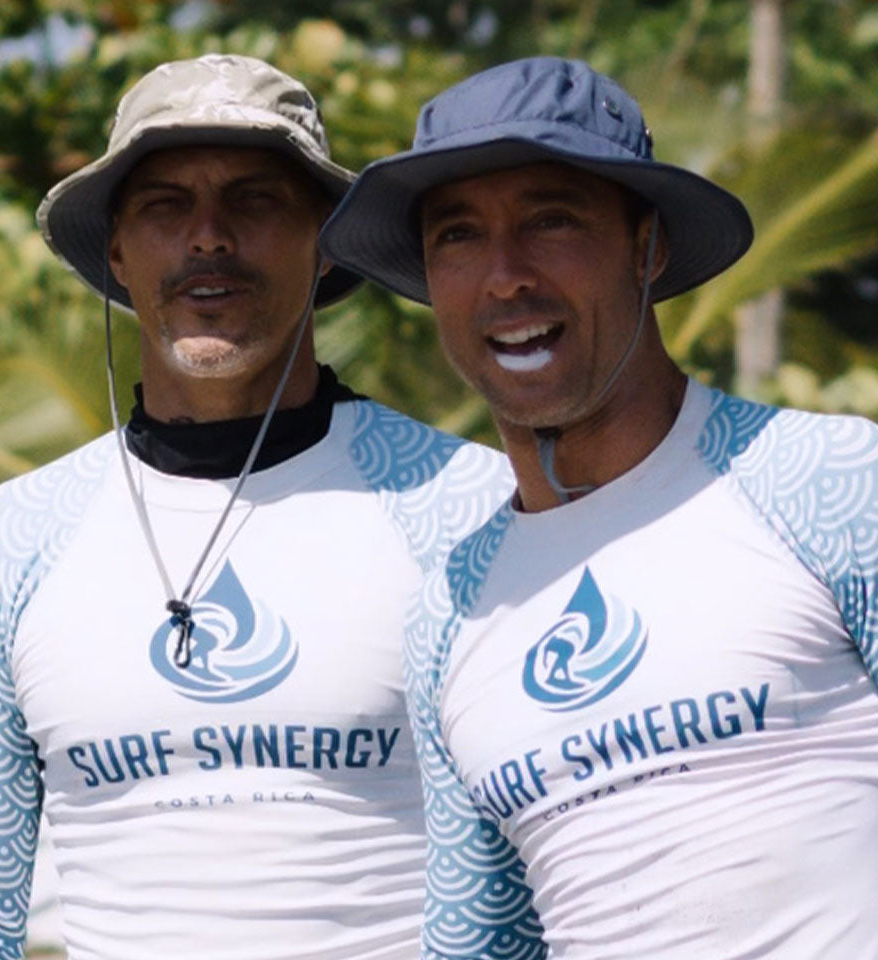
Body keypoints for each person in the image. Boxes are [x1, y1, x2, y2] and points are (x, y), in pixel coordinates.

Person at [0, 54, 521, 960]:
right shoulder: (9, 543)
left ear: (325, 243)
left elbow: (526, 886)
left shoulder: (464, 507)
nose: (209, 236)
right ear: (117, 251)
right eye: (165, 205)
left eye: (254, 199)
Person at [321, 56, 878, 959]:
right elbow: (480, 942)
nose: (505, 276)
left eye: (552, 220)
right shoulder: (449, 613)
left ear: (647, 246)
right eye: (457, 236)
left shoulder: (829, 483)